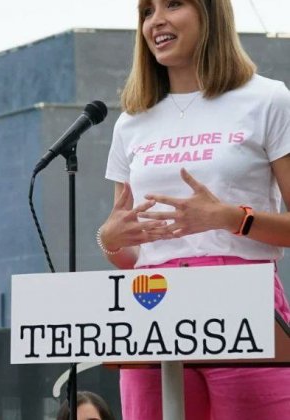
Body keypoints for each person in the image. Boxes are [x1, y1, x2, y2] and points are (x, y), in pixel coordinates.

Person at [97, 0, 290, 418]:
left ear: (210, 13)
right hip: (150, 300)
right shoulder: (131, 121)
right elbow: (127, 243)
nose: (156, 21)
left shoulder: (267, 99)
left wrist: (231, 218)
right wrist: (109, 241)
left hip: (240, 298)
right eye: (146, 11)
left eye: (173, 4)